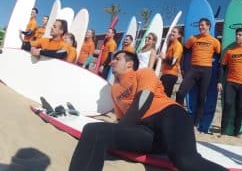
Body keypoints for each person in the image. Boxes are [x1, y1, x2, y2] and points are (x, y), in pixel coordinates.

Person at [68, 51, 226, 171]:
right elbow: (120, 120)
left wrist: (121, 127)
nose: (112, 61)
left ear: (130, 64)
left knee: (185, 161)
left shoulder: (143, 73)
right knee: (93, 130)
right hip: (146, 132)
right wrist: (115, 130)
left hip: (169, 115)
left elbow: (144, 99)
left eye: (118, 59)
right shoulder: (114, 90)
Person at [176, 18, 221, 129]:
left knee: (201, 97)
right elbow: (185, 51)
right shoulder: (193, 38)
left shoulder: (215, 42)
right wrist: (183, 67)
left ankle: (195, 124)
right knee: (180, 92)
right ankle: (179, 117)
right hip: (193, 69)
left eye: (203, 25)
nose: (201, 27)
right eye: (200, 25)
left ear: (208, 26)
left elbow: (219, 56)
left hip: (207, 70)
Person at [217, 28, 242, 137]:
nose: (237, 37)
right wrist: (220, 81)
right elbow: (222, 67)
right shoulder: (230, 51)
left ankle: (236, 133)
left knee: (239, 108)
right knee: (228, 105)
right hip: (230, 83)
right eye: (236, 35)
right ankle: (223, 132)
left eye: (240, 35)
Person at [160, 27, 183, 97]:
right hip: (165, 74)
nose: (172, 33)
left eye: (174, 32)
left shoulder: (178, 45)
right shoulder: (170, 45)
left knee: (165, 96)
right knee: (160, 95)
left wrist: (164, 58)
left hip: (171, 74)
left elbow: (173, 62)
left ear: (179, 35)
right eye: (171, 32)